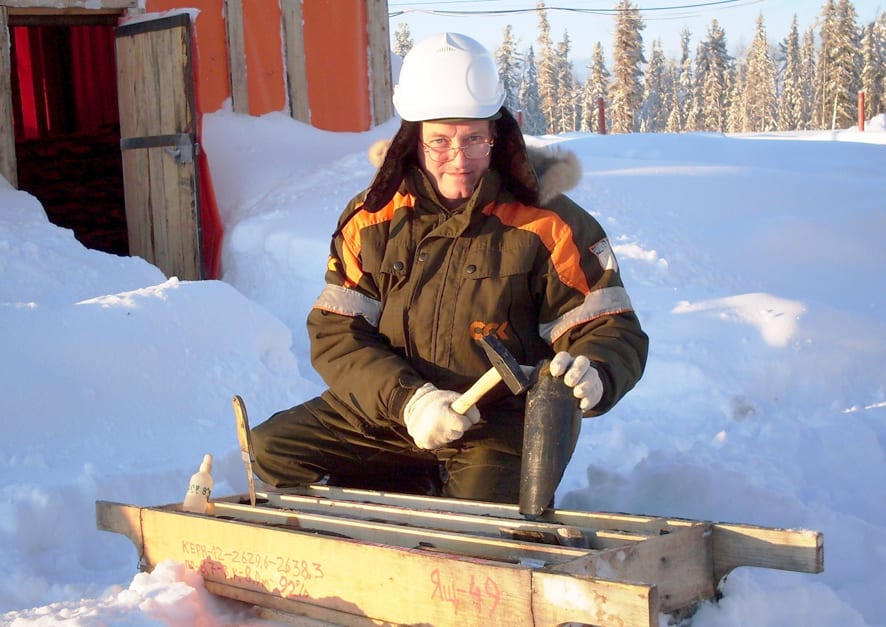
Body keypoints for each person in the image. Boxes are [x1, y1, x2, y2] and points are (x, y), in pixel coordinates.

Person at [250, 32, 648, 503]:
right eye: (439, 142)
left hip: (498, 424)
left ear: (496, 137)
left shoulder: (549, 222)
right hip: (393, 410)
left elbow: (608, 328)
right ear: (412, 140)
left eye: (474, 140)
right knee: (271, 450)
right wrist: (410, 401)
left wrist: (597, 371)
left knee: (474, 524)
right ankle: (402, 484)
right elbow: (337, 333)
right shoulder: (372, 218)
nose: (459, 161)